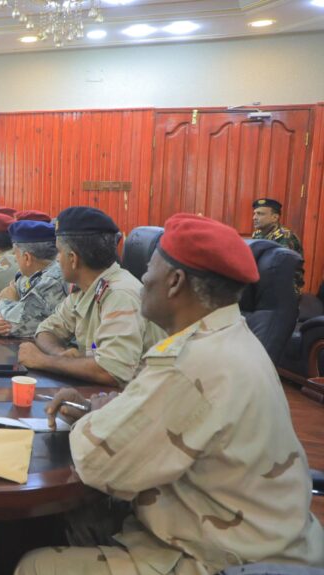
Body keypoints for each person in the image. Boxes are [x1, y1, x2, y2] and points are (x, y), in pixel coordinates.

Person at [19, 214, 324, 574]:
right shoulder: (231, 337)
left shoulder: (189, 361)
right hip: (262, 541)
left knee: (34, 565)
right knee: (75, 519)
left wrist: (96, 419)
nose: (143, 279)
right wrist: (101, 410)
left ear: (175, 281)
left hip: (222, 559)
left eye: (150, 268)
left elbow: (97, 464)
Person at [18, 207, 165, 387]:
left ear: (73, 259)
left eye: (59, 252)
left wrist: (43, 361)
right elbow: (46, 329)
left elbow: (111, 371)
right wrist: (59, 354)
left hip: (141, 398)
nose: (57, 259)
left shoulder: (120, 295)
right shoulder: (86, 289)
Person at [0, 220, 67, 338]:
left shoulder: (52, 281)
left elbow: (13, 326)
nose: (15, 259)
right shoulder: (30, 275)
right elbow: (2, 315)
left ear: (27, 258)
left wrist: (4, 301)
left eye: (16, 255)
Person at [251, 197, 304, 294]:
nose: (254, 217)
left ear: (275, 217)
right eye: (254, 213)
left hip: (286, 286)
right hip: (265, 280)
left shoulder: (286, 237)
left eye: (260, 214)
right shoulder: (257, 234)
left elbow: (282, 270)